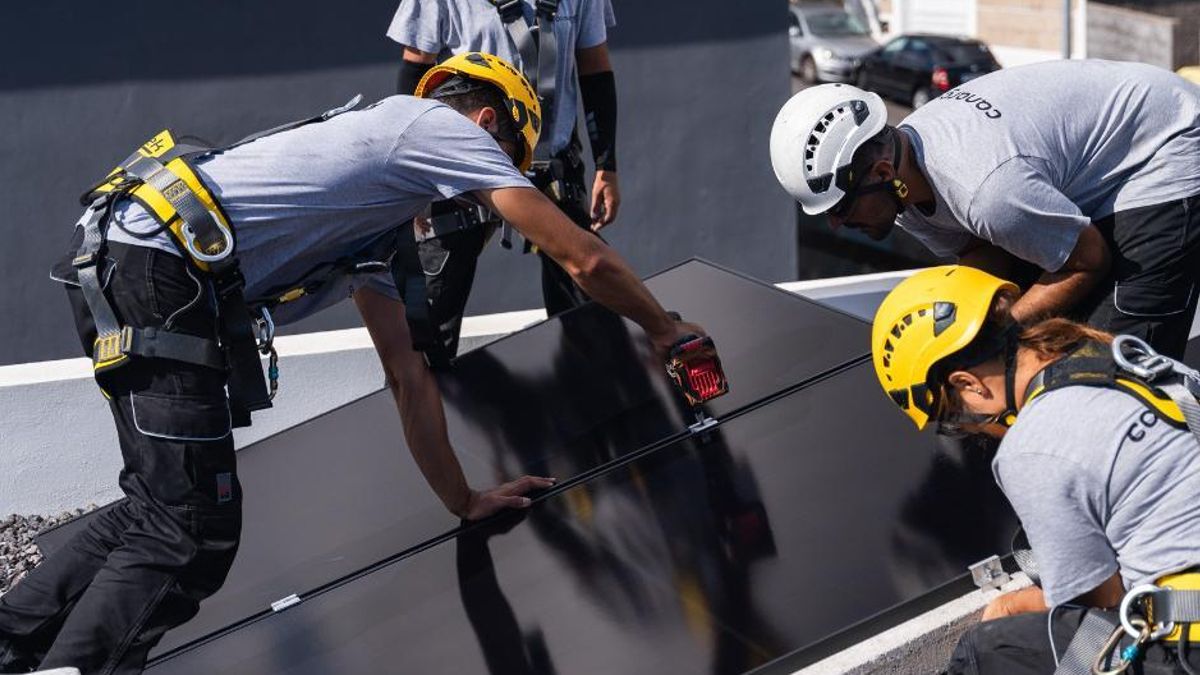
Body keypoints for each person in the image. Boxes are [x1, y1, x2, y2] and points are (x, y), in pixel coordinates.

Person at [0, 52, 703, 675]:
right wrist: (663, 327)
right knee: (191, 531)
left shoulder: (376, 213)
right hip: (160, 269)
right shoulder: (435, 129)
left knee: (156, 508)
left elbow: (408, 378)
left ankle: (10, 644)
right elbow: (581, 254)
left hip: (130, 259)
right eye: (505, 161)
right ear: (487, 121)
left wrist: (464, 499)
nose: (482, 196)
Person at [870, 265, 1200, 674]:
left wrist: (1012, 603)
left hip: (1188, 638)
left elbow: (1100, 600)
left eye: (953, 419)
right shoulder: (1119, 359)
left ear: (969, 384)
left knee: (989, 650)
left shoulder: (1031, 446)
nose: (972, 431)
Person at [771, 60, 1200, 358]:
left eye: (841, 206)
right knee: (1048, 335)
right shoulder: (903, 190)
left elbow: (1088, 260)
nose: (835, 222)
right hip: (1086, 161)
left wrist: (1001, 327)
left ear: (882, 171)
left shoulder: (984, 189)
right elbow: (987, 251)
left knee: (1113, 359)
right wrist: (952, 325)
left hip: (1167, 140)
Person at [386, 0, 621, 360]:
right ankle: (424, 402)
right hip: (462, 171)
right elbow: (414, 72)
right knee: (428, 324)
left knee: (589, 304)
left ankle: (590, 398)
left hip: (551, 167)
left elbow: (594, 67)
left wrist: (607, 164)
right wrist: (412, 177)